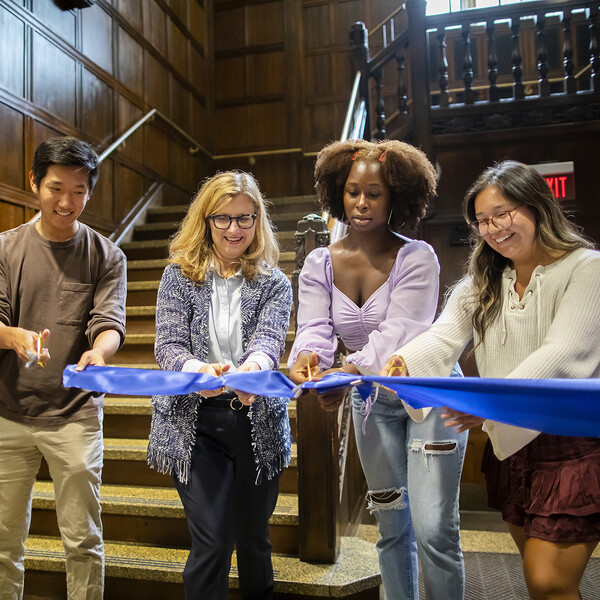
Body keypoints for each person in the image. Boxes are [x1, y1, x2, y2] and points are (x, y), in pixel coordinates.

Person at [382, 160, 600, 600]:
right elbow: (444, 337)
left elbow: (562, 354)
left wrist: (485, 404)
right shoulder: (482, 281)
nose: (493, 227)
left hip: (572, 446)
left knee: (548, 580)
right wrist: (402, 363)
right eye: (482, 220)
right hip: (513, 447)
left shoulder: (586, 268)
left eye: (504, 212)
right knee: (539, 579)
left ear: (537, 207)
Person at [289, 139, 468, 600]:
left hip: (430, 398)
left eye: (375, 193)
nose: (362, 203)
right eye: (353, 192)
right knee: (391, 528)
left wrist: (343, 371)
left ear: (396, 198)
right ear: (337, 193)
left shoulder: (418, 257)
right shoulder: (318, 263)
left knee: (433, 532)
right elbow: (313, 329)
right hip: (372, 403)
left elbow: (400, 333)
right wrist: (310, 363)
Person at [147, 170, 292, 600]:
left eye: (245, 219)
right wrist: (196, 372)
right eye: (223, 218)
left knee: (253, 540)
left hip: (255, 421)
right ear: (205, 220)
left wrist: (254, 369)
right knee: (211, 542)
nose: (234, 229)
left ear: (257, 221)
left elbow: (269, 340)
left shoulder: (275, 283)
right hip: (195, 424)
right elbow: (168, 344)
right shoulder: (178, 276)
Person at [0, 136, 127, 599]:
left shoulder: (108, 256)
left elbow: (108, 322)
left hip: (74, 414)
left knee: (83, 540)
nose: (67, 201)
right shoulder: (5, 248)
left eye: (79, 190)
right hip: (8, 412)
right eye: (56, 188)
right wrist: (15, 337)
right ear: (34, 183)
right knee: (3, 542)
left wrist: (100, 352)